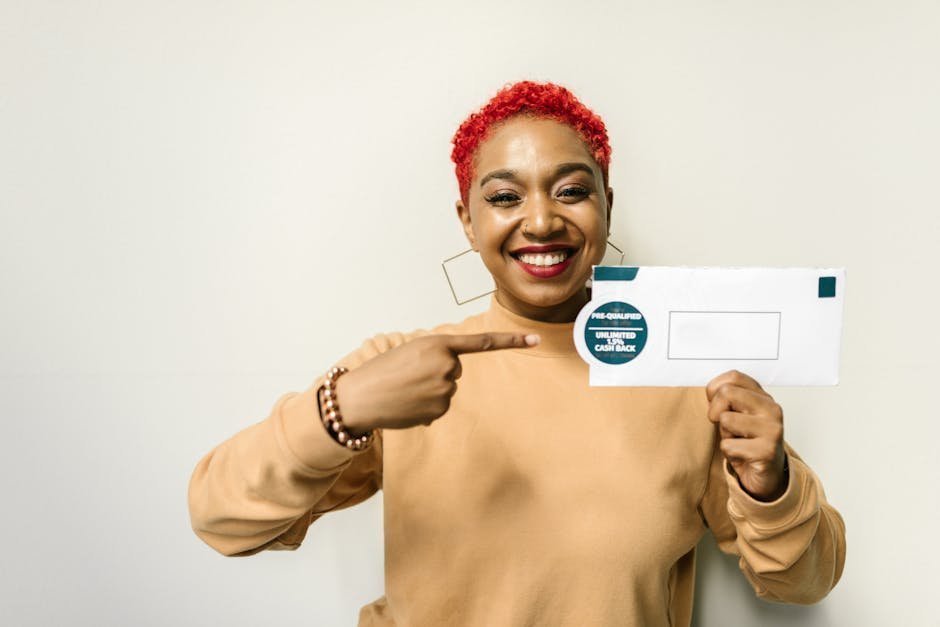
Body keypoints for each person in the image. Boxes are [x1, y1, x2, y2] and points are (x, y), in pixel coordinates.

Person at [188, 81, 846, 626]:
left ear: (607, 205)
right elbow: (221, 519)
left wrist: (770, 484)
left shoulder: (686, 383)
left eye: (572, 190)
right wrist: (344, 406)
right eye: (505, 196)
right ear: (467, 221)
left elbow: (804, 582)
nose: (540, 221)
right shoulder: (399, 370)